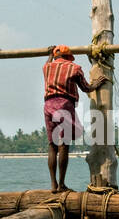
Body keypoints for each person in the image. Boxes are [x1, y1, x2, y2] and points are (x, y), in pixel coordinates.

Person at [43, 45, 106, 192]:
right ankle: (61, 185)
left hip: (48, 105)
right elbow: (86, 88)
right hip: (64, 104)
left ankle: (53, 185)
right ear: (68, 57)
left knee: (52, 145)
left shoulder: (47, 67)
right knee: (63, 144)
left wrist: (50, 54)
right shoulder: (74, 68)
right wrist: (96, 84)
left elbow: (48, 62)